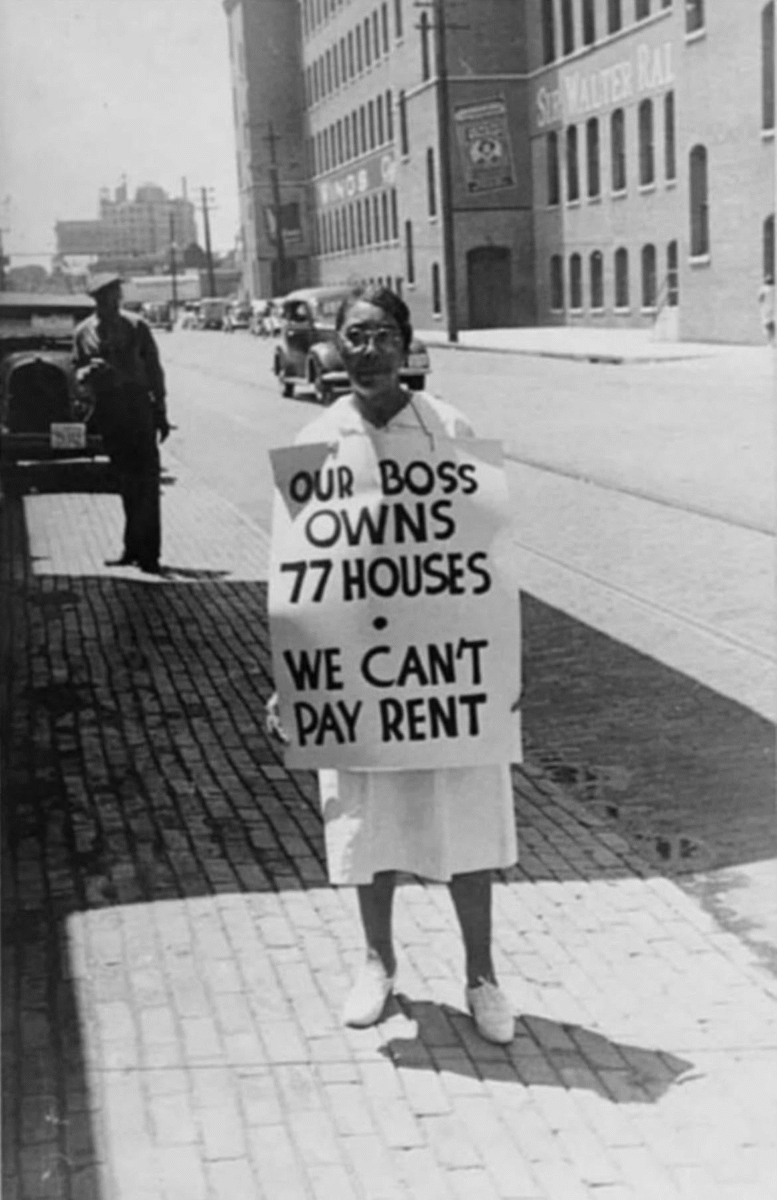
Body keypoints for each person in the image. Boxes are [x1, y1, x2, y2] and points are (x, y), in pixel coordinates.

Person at [267, 285, 520, 1043]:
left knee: (465, 822)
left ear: (406, 345)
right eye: (353, 335)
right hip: (358, 683)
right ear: (335, 347)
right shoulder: (315, 443)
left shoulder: (450, 429)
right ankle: (376, 964)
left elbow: (487, 559)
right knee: (367, 825)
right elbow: (292, 576)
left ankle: (481, 977)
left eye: (381, 334)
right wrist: (289, 680)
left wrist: (502, 662)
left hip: (446, 680)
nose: (367, 349)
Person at [74, 274, 171, 573]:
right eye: (104, 298)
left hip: (138, 409)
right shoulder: (84, 332)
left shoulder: (136, 326)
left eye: (114, 297)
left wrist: (161, 412)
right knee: (126, 483)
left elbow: (154, 369)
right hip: (109, 413)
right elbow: (76, 369)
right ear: (96, 300)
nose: (111, 302)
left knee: (147, 483)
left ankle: (150, 554)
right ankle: (132, 548)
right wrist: (86, 373)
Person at [758, 274, 775, 345]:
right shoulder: (774, 288)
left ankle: (770, 342)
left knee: (767, 324)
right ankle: (773, 340)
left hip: (766, 308)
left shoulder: (763, 289)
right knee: (772, 324)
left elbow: (760, 299)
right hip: (773, 308)